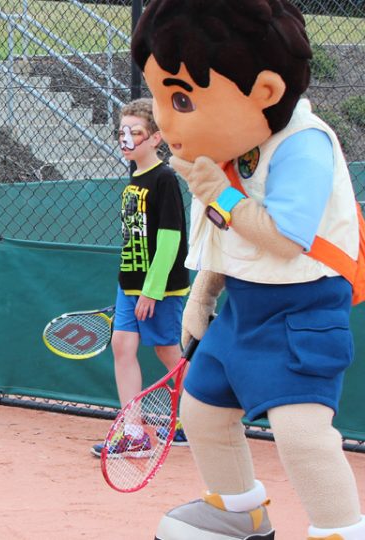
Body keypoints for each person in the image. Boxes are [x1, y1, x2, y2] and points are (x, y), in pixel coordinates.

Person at [133, 0, 365, 538]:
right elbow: (225, 236)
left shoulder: (303, 144)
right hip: (242, 305)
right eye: (163, 99)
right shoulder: (232, 148)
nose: (165, 122)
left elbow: (284, 239)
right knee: (204, 411)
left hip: (302, 311)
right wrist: (202, 297)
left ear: (264, 91)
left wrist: (221, 194)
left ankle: (340, 528)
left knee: (302, 432)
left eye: (182, 100)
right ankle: (237, 511)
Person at [90, 99, 190, 459]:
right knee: (122, 346)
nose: (126, 139)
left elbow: (170, 239)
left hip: (161, 288)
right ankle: (133, 432)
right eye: (122, 132)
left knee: (168, 351)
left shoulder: (165, 179)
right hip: (129, 285)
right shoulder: (133, 180)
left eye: (135, 132)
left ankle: (197, 417)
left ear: (156, 138)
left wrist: (151, 290)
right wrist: (130, 285)